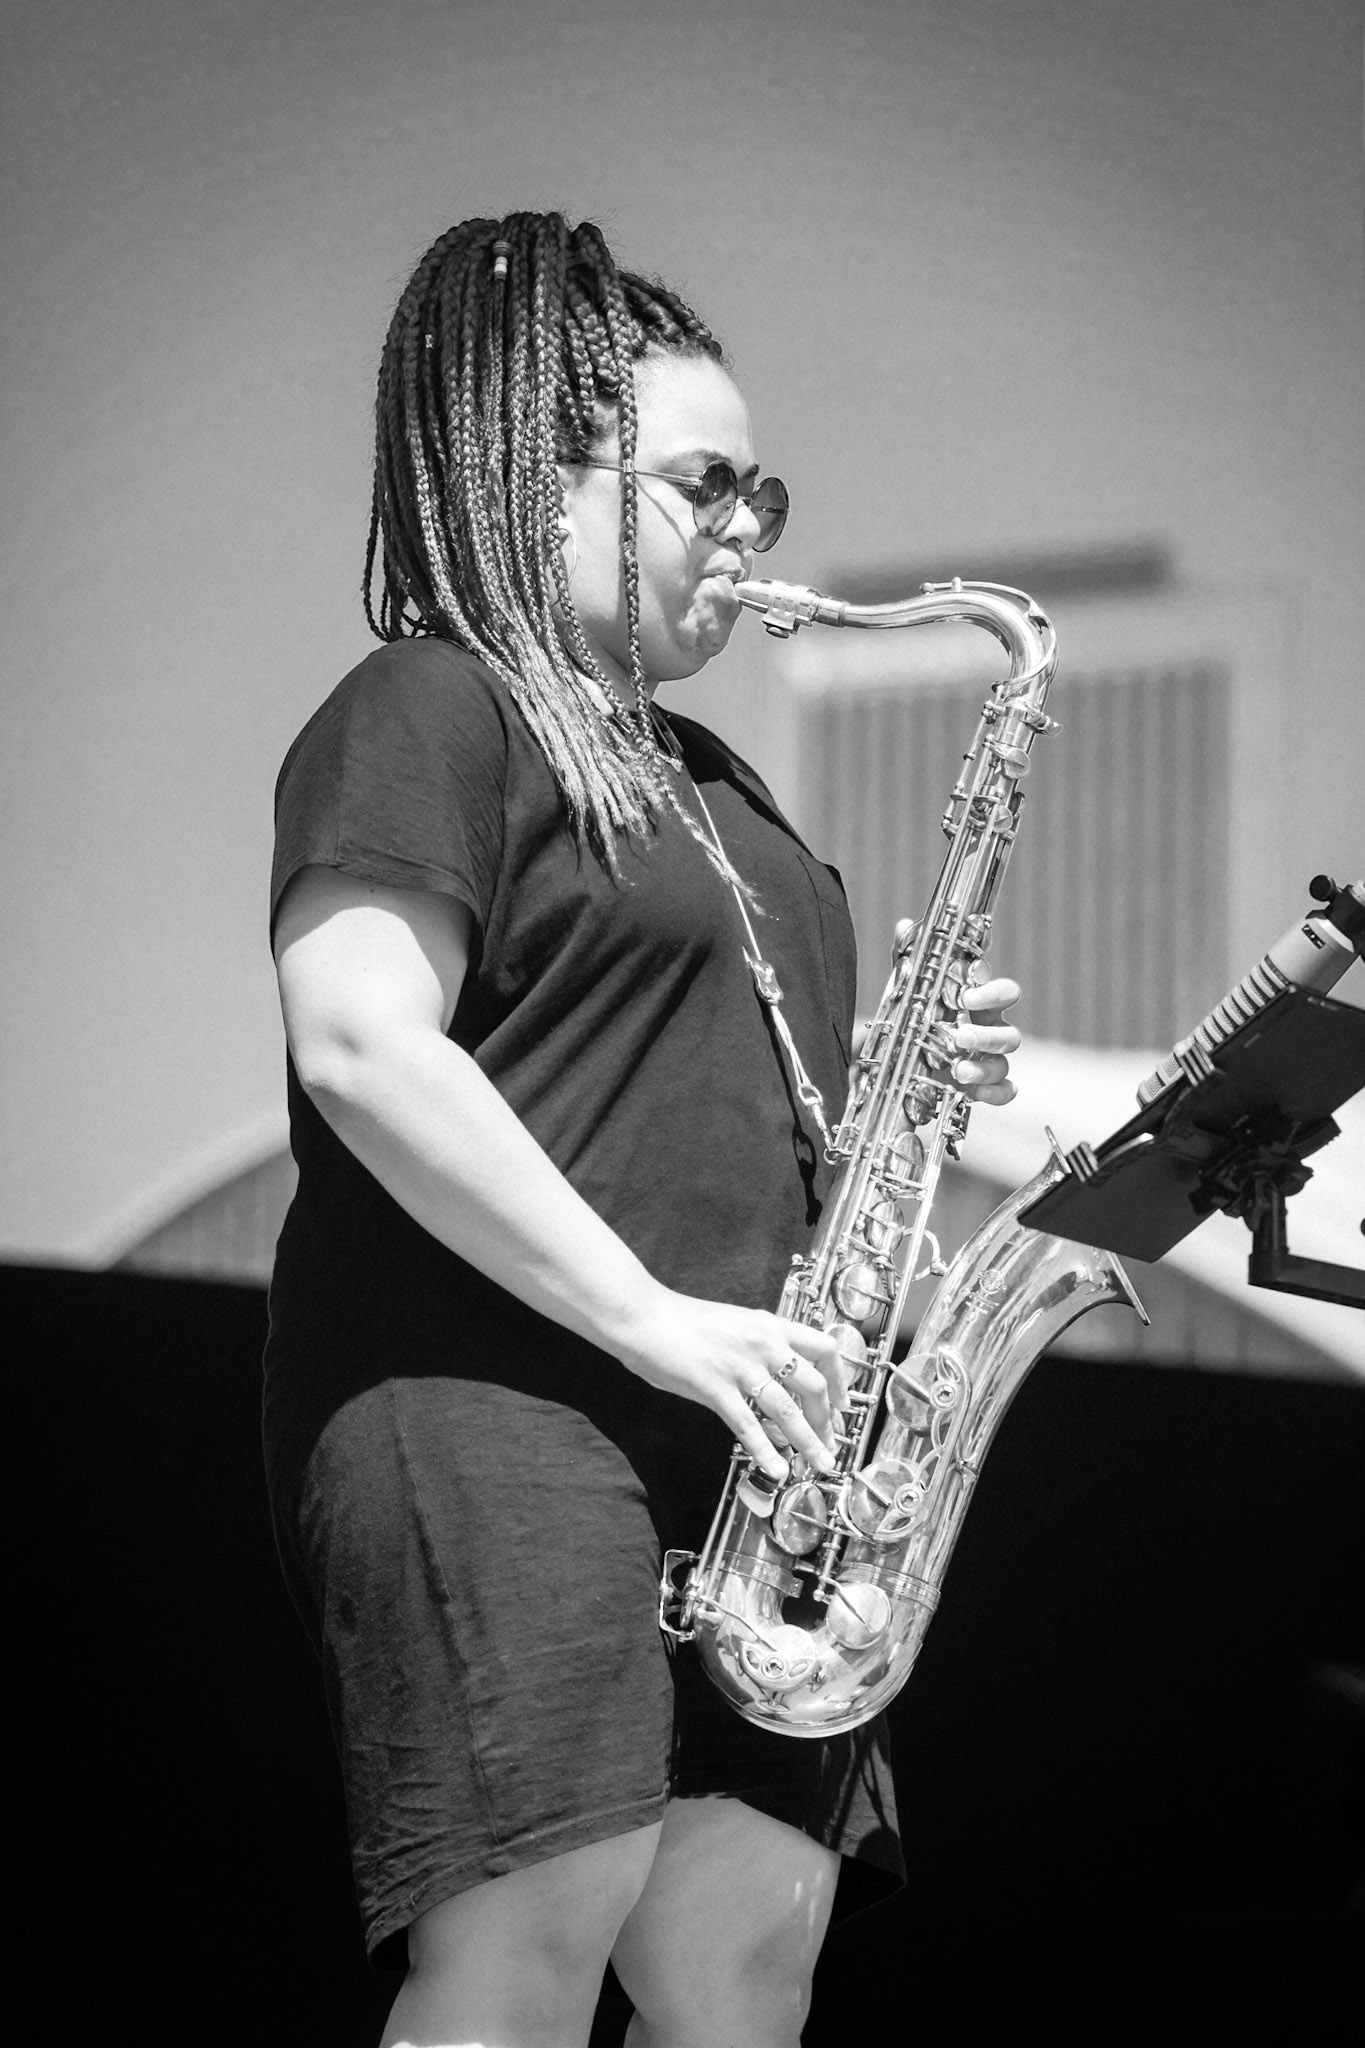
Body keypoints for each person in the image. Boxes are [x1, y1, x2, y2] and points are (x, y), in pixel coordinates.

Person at [265, 211, 1020, 2048]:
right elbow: (363, 1041)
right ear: (540, 486)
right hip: (509, 1403)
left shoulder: (732, 804)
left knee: (750, 1954)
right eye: (705, 484)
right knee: (529, 1935)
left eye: (764, 487)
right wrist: (651, 1321)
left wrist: (907, 1095)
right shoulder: (432, 704)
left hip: (755, 1455)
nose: (753, 530)